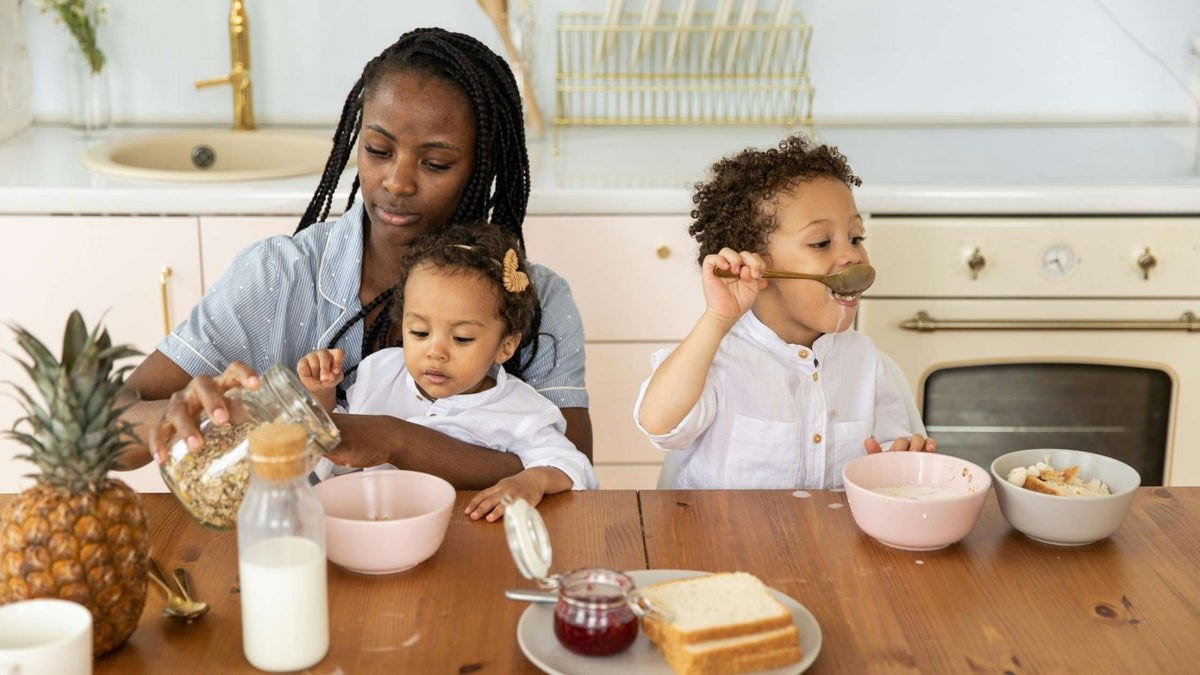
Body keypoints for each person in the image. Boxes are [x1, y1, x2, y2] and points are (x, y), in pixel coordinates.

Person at [116, 28, 591, 490]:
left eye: (436, 164)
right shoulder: (279, 276)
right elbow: (109, 425)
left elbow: (571, 474)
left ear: (482, 166)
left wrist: (397, 440)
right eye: (378, 150)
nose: (397, 182)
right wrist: (170, 414)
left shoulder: (532, 295)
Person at [634, 134, 935, 490]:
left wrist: (901, 465)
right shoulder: (718, 361)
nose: (853, 256)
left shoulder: (872, 367)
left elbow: (895, 465)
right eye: (821, 242)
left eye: (856, 238)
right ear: (756, 266)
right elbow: (658, 424)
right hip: (717, 542)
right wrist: (717, 319)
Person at [297, 223, 597, 520]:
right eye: (419, 332)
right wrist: (321, 394)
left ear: (505, 346)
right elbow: (338, 447)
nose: (436, 352)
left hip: (472, 544)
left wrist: (533, 480)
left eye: (462, 338)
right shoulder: (380, 372)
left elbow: (574, 465)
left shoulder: (521, 412)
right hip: (378, 530)